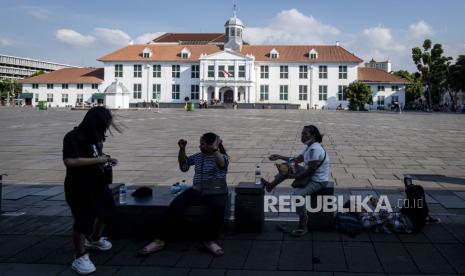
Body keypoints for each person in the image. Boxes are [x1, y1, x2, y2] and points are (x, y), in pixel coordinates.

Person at [139, 132, 229, 256]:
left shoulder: (222, 156)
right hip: (197, 190)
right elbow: (184, 166)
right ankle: (160, 240)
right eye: (200, 143)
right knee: (175, 206)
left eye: (202, 144)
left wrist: (215, 148)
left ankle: (210, 240)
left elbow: (222, 164)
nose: (199, 146)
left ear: (211, 145)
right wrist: (182, 149)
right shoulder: (198, 156)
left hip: (216, 192)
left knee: (218, 208)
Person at [63, 106, 120, 274]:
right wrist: (97, 160)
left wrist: (106, 159)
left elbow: (95, 156)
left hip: (97, 183)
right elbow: (70, 161)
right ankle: (80, 256)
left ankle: (94, 239)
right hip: (79, 186)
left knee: (107, 210)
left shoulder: (96, 136)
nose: (104, 129)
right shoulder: (73, 137)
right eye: (102, 125)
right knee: (83, 220)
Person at [261, 125, 329, 236]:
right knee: (287, 166)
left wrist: (293, 176)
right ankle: (270, 185)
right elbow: (297, 160)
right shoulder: (310, 146)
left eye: (305, 134)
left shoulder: (314, 149)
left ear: (313, 136)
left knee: (297, 196)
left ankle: (303, 223)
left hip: (318, 181)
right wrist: (280, 157)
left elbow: (310, 171)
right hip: (310, 176)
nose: (302, 136)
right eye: (302, 133)